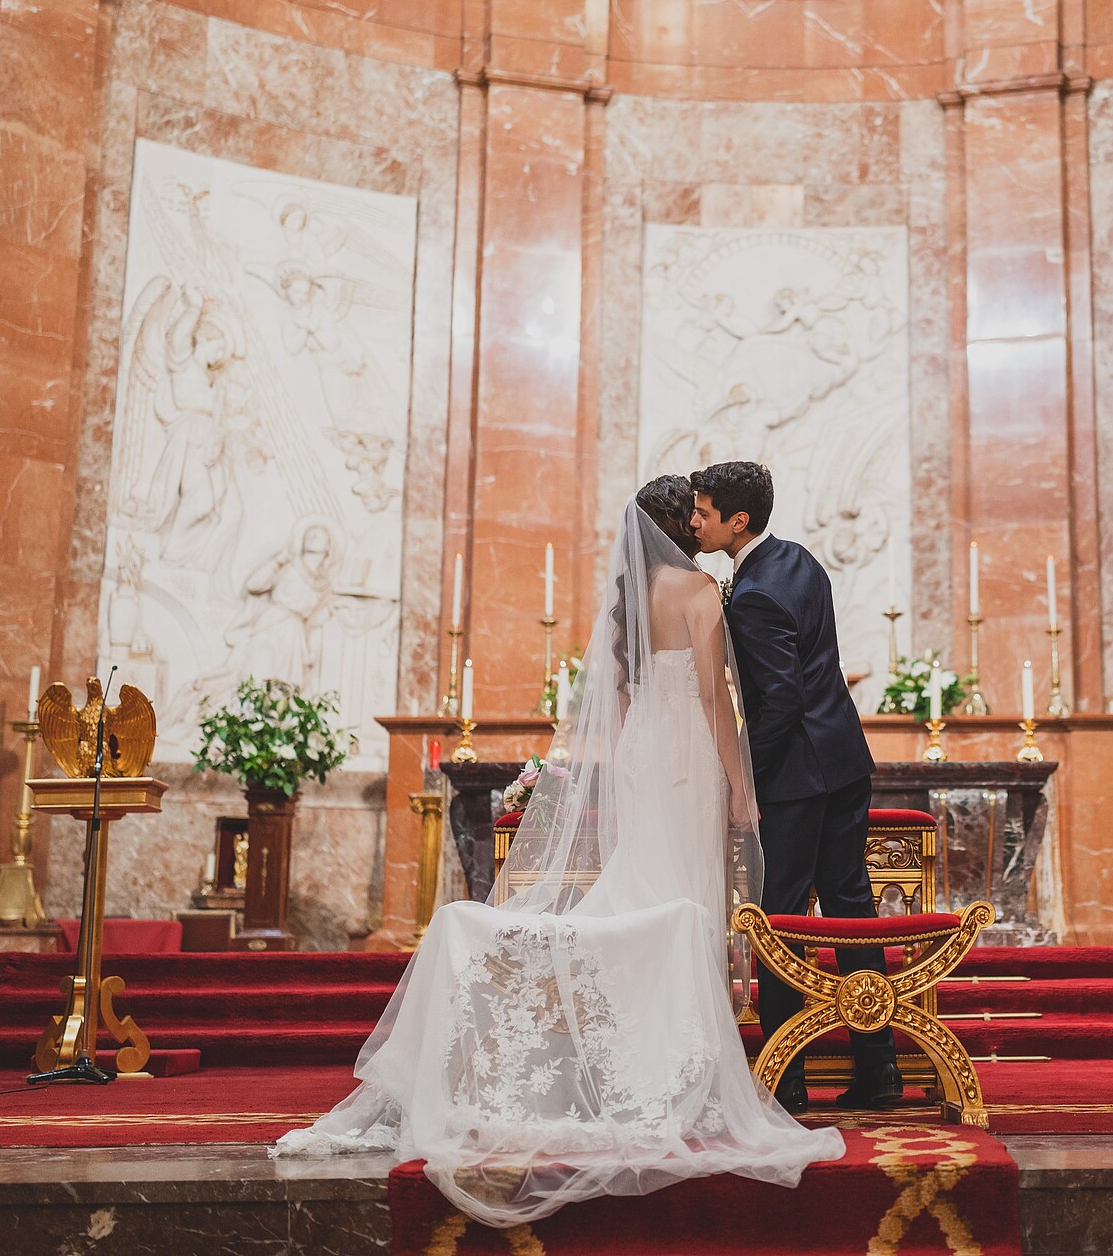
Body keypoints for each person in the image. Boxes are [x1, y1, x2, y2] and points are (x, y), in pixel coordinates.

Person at [271, 477, 842, 1226]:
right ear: (680, 525)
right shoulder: (700, 590)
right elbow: (711, 699)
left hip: (645, 754)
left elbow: (631, 698)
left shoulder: (632, 596)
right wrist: (740, 783)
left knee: (645, 881)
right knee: (686, 897)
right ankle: (670, 1067)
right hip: (690, 752)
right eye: (694, 513)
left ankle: (632, 1053)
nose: (702, 523)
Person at [689, 461, 902, 1113]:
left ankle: (787, 1079)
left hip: (796, 778)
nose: (695, 522)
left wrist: (743, 774)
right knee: (851, 914)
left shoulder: (751, 592)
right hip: (844, 761)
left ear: (737, 521)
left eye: (703, 512)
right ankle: (880, 1071)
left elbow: (780, 701)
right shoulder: (799, 559)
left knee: (778, 922)